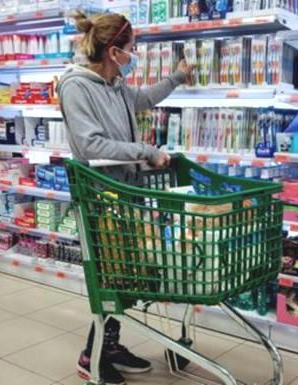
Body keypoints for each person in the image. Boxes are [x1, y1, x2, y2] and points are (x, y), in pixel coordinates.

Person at [56, 11, 193, 385]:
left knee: (128, 273)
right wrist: (145, 151)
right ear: (114, 51)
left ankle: (111, 343)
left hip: (125, 193)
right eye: (132, 49)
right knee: (112, 278)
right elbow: (90, 143)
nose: (136, 55)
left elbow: (145, 98)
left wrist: (177, 79)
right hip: (100, 195)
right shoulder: (76, 87)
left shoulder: (113, 84)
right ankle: (92, 354)